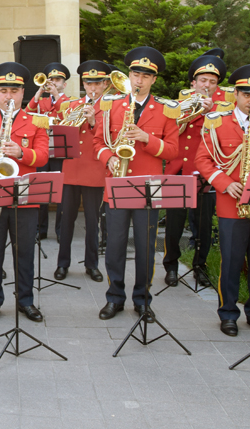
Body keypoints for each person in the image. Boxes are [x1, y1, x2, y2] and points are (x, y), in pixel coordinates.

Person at [93, 46, 180, 322]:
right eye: (135, 73)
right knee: (115, 246)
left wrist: (146, 138)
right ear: (129, 74)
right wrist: (108, 158)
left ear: (154, 79)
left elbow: (173, 151)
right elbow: (97, 141)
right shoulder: (110, 105)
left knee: (145, 248)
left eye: (146, 75)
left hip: (148, 188)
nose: (139, 80)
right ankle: (114, 298)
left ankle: (142, 300)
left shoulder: (167, 110)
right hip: (117, 184)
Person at [195, 64, 250, 337]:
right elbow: (203, 160)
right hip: (232, 202)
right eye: (246, 95)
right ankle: (228, 313)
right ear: (236, 94)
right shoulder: (216, 122)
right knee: (231, 261)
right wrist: (225, 182)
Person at [0, 62, 50, 324]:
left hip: (24, 197)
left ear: (22, 93)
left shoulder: (35, 121)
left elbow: (44, 156)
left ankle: (25, 301)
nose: (8, 96)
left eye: (14, 91)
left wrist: (22, 153)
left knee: (24, 253)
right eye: (3, 90)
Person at [162, 53, 234, 288]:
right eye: (203, 80)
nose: (207, 85)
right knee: (173, 224)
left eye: (212, 82)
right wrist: (190, 112)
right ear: (193, 83)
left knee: (202, 226)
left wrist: (210, 112)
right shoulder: (181, 102)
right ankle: (171, 266)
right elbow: (171, 133)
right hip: (179, 170)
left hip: (205, 171)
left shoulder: (225, 106)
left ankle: (199, 266)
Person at [53, 61, 110, 282]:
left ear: (105, 84)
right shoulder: (72, 104)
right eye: (88, 83)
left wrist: (93, 121)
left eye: (97, 83)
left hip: (95, 168)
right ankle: (62, 263)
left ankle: (92, 264)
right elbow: (61, 131)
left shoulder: (111, 107)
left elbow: (110, 138)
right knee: (66, 219)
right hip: (72, 168)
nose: (92, 87)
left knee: (92, 220)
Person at [28, 62, 71, 241]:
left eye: (58, 80)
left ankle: (61, 230)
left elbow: (68, 118)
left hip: (61, 152)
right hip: (43, 150)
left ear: (64, 84)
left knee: (60, 191)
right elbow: (27, 112)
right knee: (40, 189)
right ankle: (40, 229)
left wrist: (56, 95)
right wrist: (38, 93)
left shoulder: (69, 101)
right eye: (51, 79)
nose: (54, 82)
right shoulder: (42, 101)